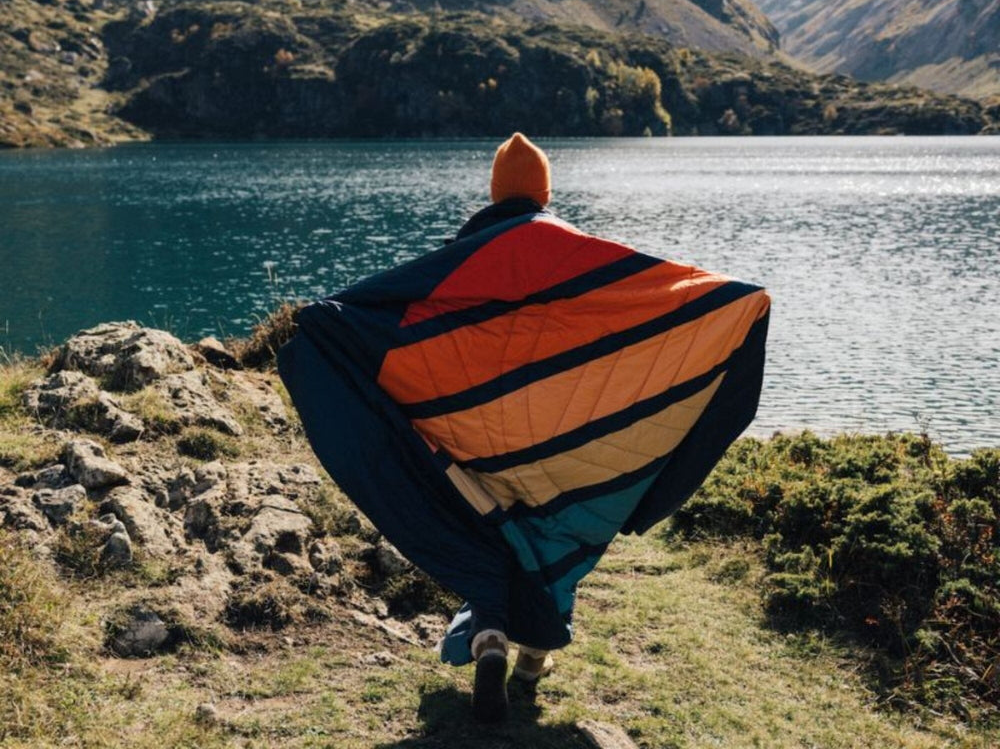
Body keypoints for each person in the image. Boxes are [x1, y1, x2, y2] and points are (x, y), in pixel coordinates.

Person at [278, 133, 770, 724]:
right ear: (544, 192)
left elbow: (384, 314)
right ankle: (532, 662)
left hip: (476, 448)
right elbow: (648, 295)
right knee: (556, 536)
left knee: (491, 535)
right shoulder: (574, 252)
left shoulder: (458, 261)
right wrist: (737, 308)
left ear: (494, 192)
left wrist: (322, 327)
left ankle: (488, 640)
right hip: (559, 446)